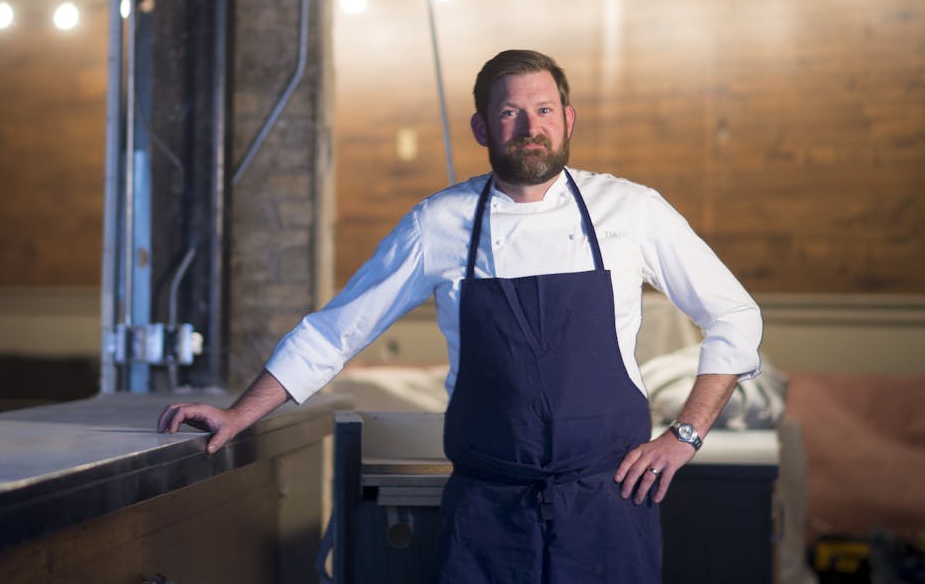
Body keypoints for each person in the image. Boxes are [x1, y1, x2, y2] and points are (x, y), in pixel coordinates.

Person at [158, 49, 762, 583]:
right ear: (481, 127)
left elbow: (734, 317)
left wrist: (684, 436)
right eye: (510, 113)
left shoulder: (631, 210)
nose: (531, 128)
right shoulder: (437, 223)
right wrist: (240, 413)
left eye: (545, 111)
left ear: (569, 120)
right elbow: (336, 331)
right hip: (487, 513)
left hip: (608, 505)